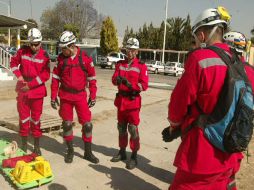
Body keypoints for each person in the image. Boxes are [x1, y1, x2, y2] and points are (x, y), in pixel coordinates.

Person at [164, 7, 254, 190]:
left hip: (202, 155)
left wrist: (174, 126)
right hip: (231, 152)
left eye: (195, 36)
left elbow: (178, 105)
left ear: (202, 35)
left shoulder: (200, 58)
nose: (195, 41)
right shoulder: (245, 68)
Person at [50, 31, 99, 164]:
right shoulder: (60, 60)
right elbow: (55, 79)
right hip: (65, 96)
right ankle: (70, 151)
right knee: (66, 125)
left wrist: (93, 96)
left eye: (63, 48)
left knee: (88, 125)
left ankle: (88, 153)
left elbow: (92, 79)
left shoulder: (85, 59)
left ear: (72, 46)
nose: (62, 51)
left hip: (80, 96)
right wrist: (53, 96)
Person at [10, 28, 50, 155]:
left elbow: (46, 75)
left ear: (40, 43)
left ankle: (36, 146)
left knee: (36, 120)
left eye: (36, 44)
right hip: (23, 89)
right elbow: (13, 64)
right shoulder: (22, 52)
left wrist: (31, 85)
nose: (34, 47)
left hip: (37, 91)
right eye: (31, 44)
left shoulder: (45, 55)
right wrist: (20, 77)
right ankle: (24, 145)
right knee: (23, 119)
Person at [111, 38, 149, 170]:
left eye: (133, 50)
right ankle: (122, 152)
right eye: (128, 50)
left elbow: (144, 85)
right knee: (121, 128)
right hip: (121, 101)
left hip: (133, 102)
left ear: (137, 51)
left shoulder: (141, 66)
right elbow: (114, 79)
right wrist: (118, 80)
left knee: (133, 129)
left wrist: (131, 85)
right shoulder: (120, 64)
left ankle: (133, 155)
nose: (130, 53)